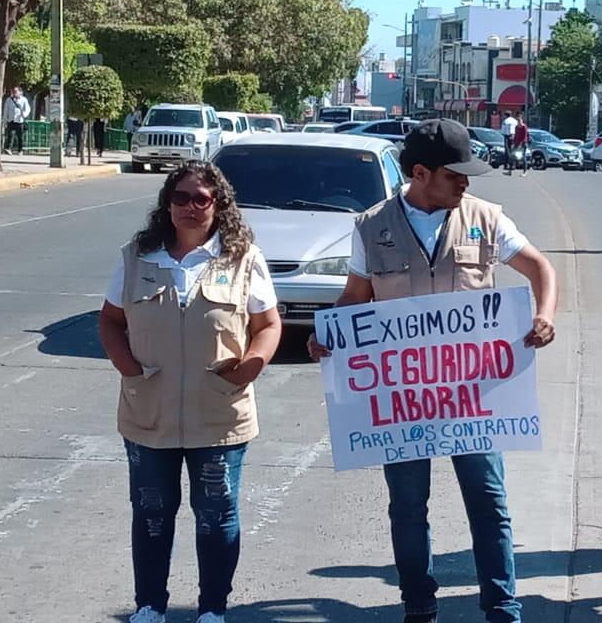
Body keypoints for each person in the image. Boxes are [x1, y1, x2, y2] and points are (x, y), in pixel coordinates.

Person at [308, 118, 558, 623]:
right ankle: (418, 606)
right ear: (420, 172)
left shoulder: (486, 218)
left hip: (474, 396)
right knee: (407, 507)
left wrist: (544, 314)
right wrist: (325, 335)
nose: (466, 183)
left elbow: (539, 268)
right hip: (403, 402)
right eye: (455, 174)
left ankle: (502, 608)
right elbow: (355, 299)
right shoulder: (372, 226)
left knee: (489, 503)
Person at [98, 162, 283, 623]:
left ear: (219, 205)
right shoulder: (137, 257)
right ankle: (150, 606)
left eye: (202, 198)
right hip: (149, 412)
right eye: (181, 197)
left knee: (216, 515)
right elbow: (110, 320)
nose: (191, 207)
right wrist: (129, 368)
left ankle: (212, 609)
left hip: (219, 413)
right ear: (168, 203)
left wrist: (250, 368)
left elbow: (268, 324)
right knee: (151, 513)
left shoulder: (243, 259)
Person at [2, 86, 30, 155]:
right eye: (13, 92)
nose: (14, 93)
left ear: (19, 92)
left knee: (20, 136)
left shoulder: (24, 100)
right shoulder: (9, 100)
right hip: (11, 120)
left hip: (19, 120)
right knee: (10, 135)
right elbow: (6, 110)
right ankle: (8, 148)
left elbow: (28, 109)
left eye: (16, 91)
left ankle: (20, 150)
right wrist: (5, 121)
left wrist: (24, 115)